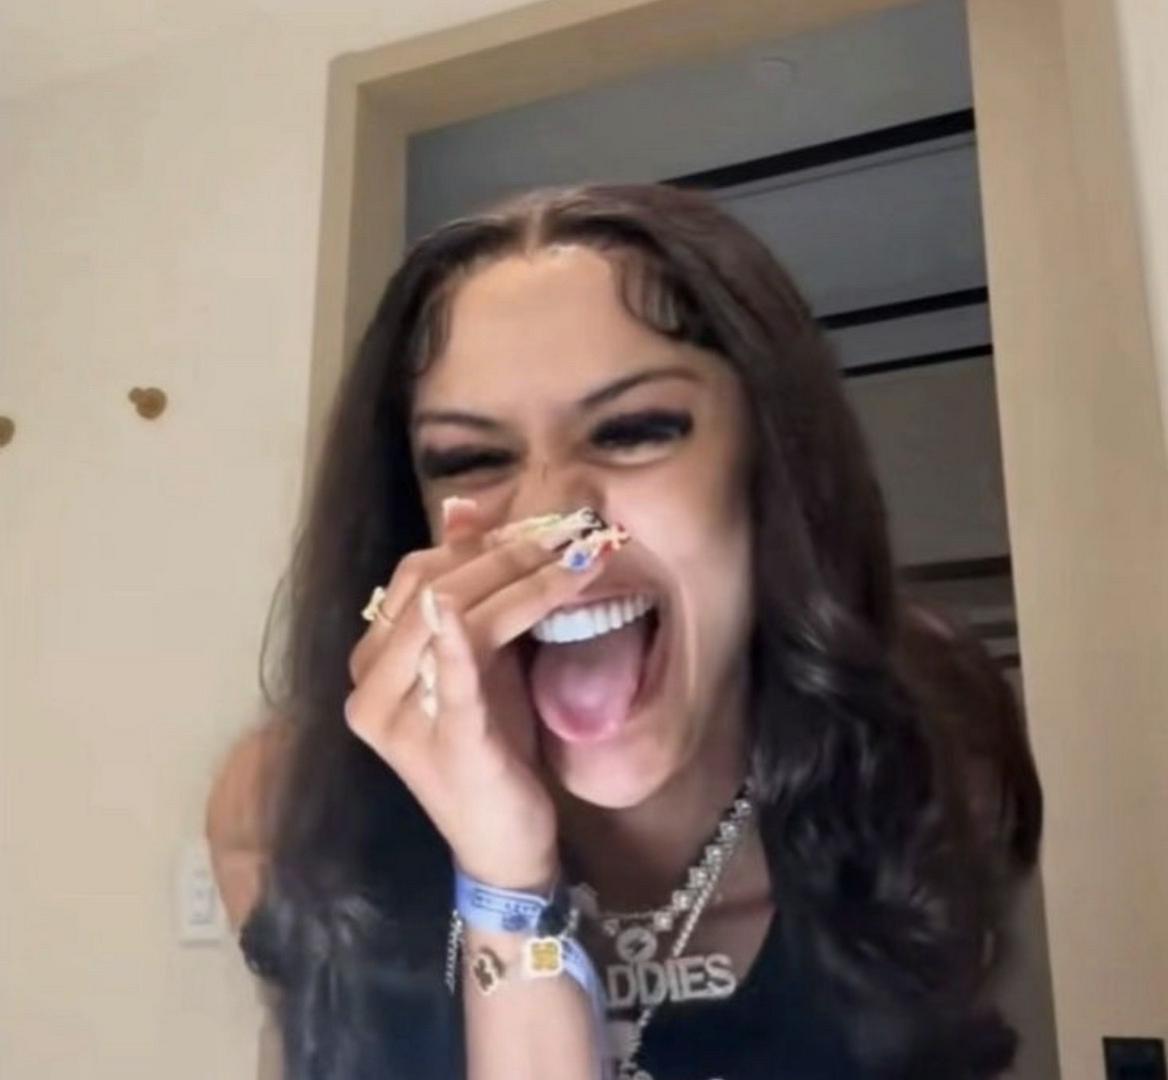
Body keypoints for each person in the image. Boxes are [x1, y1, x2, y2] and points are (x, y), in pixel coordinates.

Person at [209, 182, 1042, 1080]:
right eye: (470, 458)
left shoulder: (934, 742)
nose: (550, 514)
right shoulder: (286, 815)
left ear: (770, 467)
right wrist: (504, 879)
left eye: (635, 430)